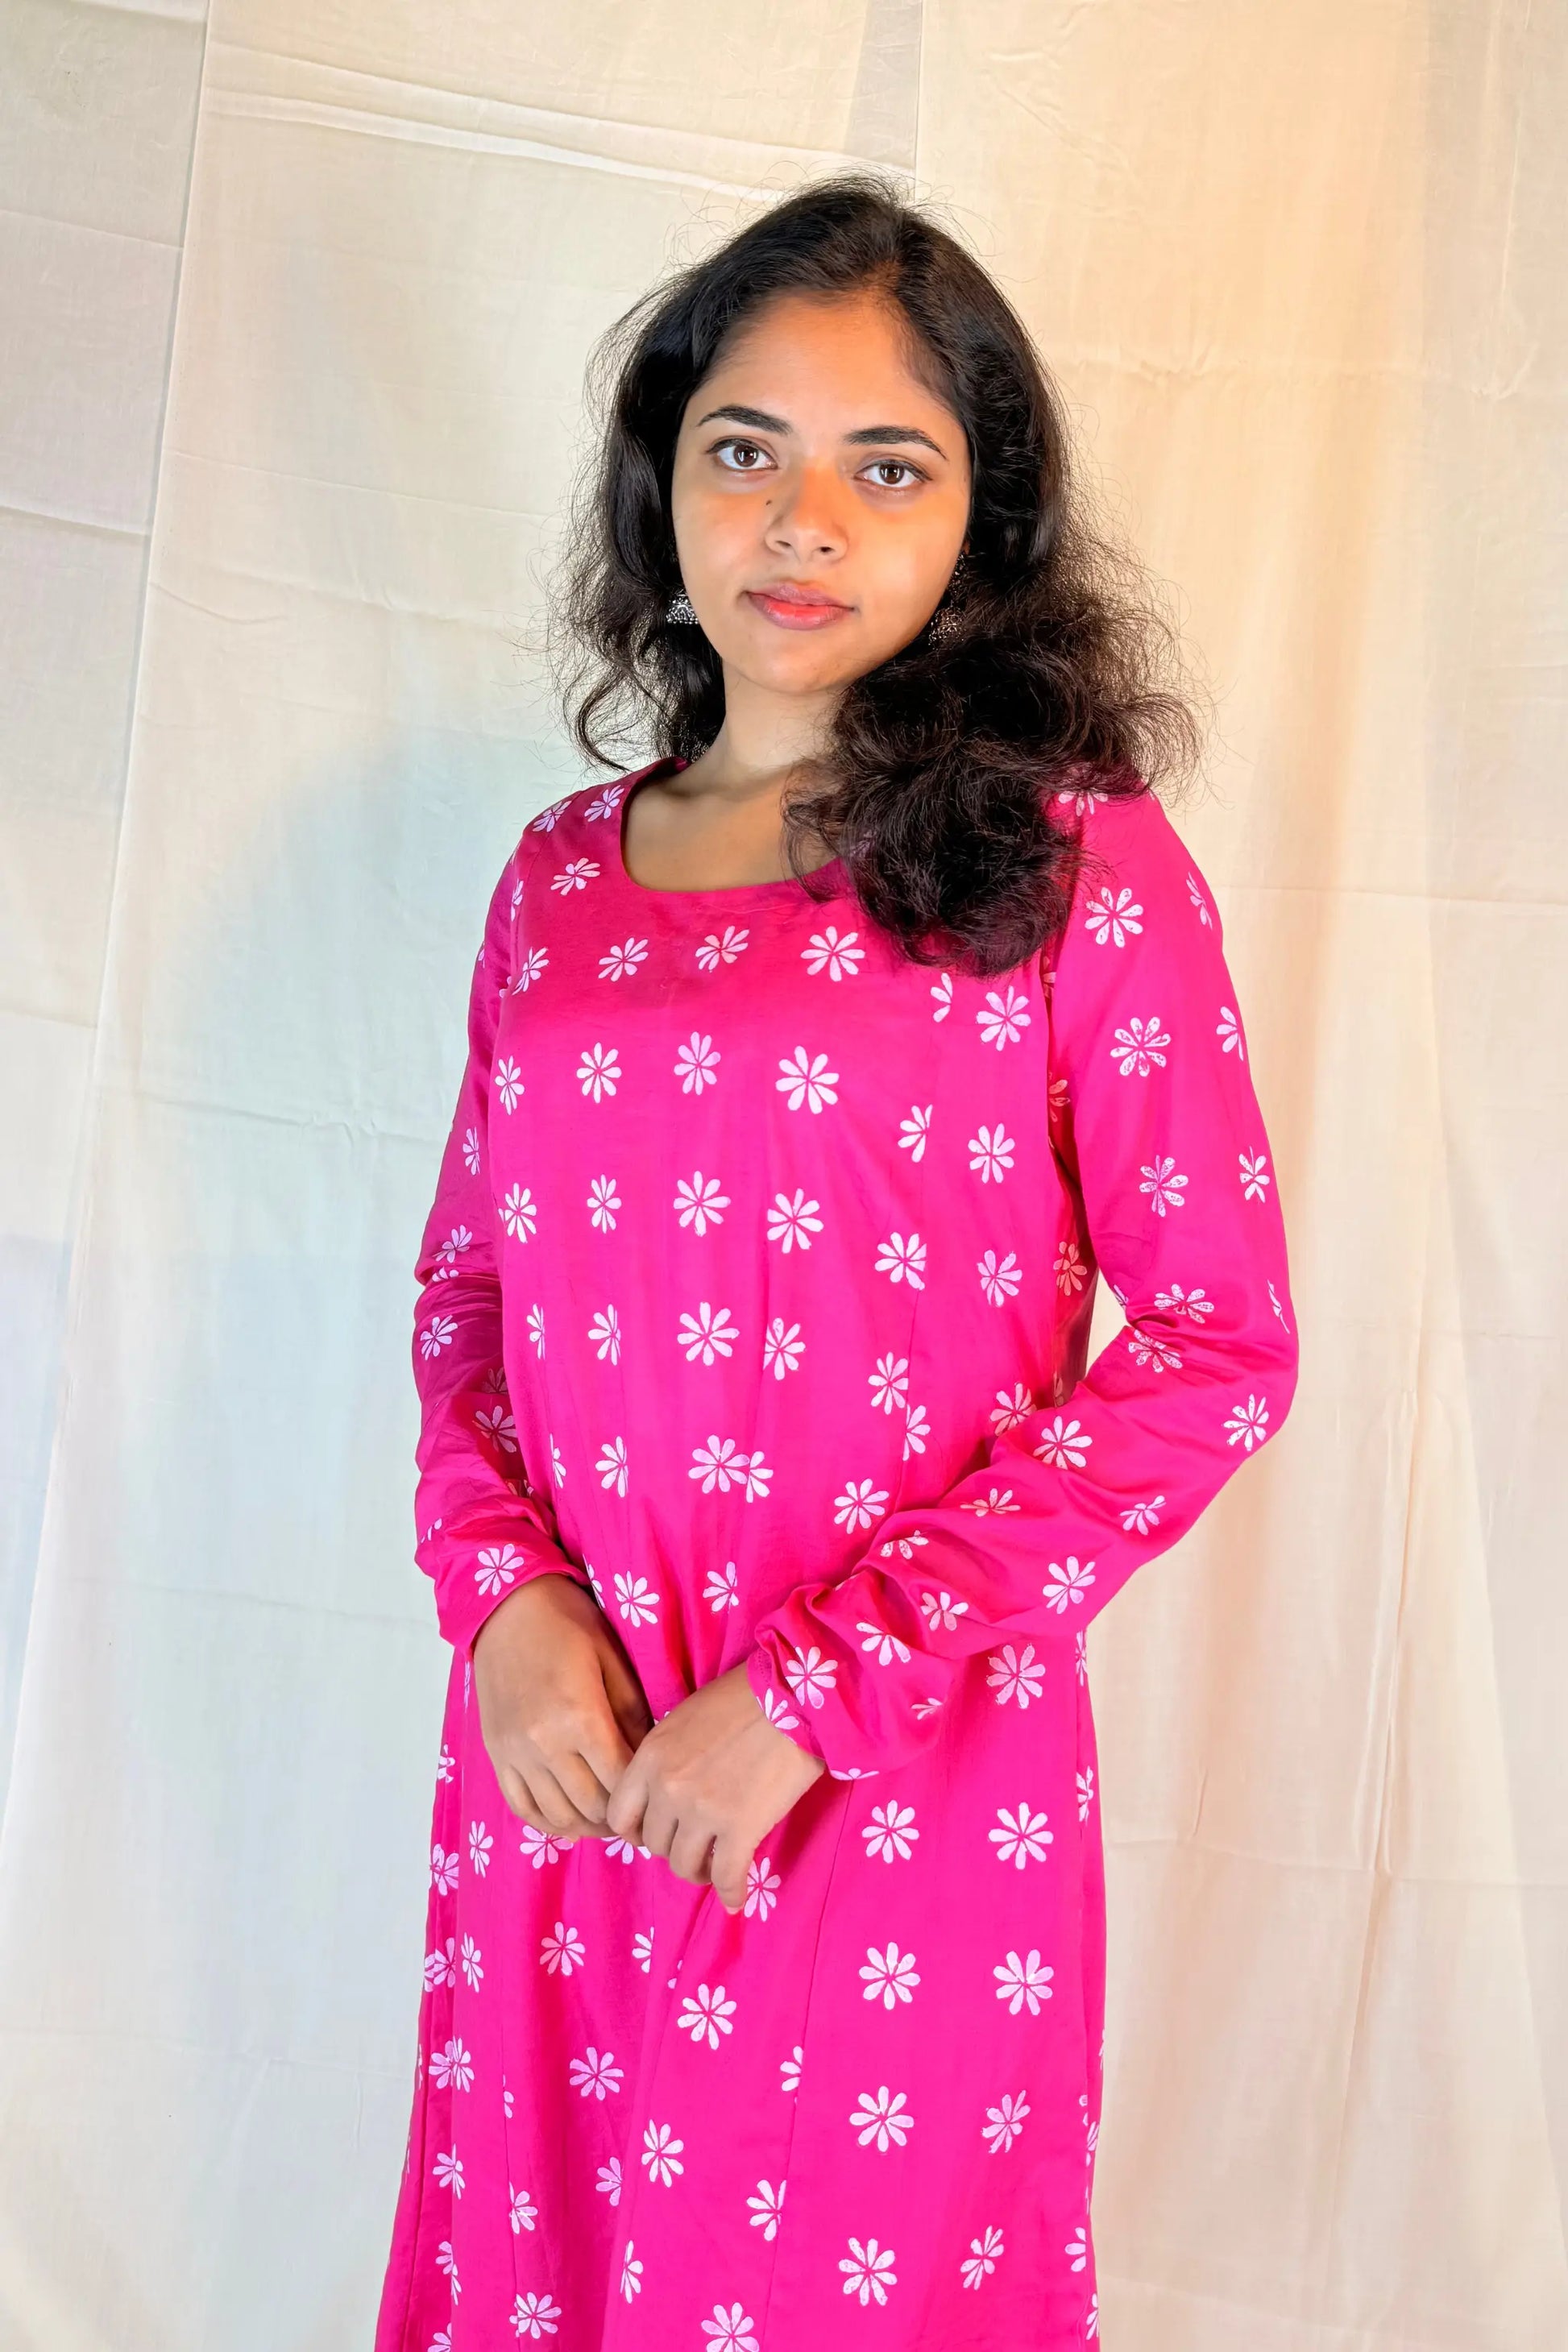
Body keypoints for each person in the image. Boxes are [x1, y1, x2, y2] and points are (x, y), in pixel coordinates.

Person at [373, 172, 1298, 2352]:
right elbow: (469, 1306)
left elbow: (1210, 1345)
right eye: (743, 452)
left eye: (885, 465)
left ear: (979, 521)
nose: (802, 522)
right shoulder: (554, 885)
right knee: (561, 2280)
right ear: (663, 484)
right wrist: (503, 1610)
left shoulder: (1070, 857)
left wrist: (805, 1696)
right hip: (573, 1762)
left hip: (890, 1780)